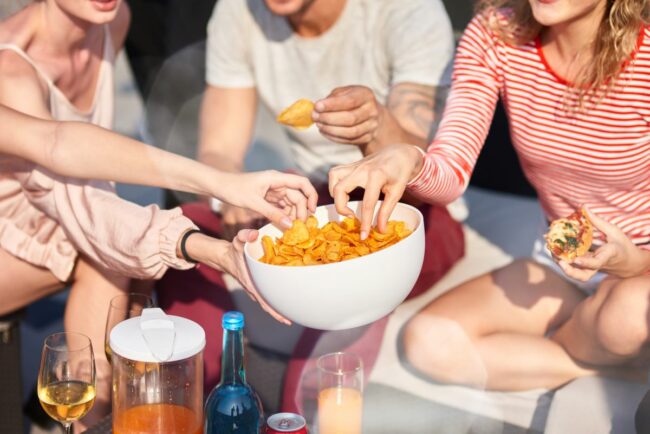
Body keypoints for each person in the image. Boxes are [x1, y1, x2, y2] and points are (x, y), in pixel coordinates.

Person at [0, 1, 313, 428]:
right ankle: (91, 409)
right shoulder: (10, 69)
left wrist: (225, 182)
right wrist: (207, 247)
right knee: (107, 254)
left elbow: (85, 167)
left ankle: (105, 404)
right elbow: (71, 187)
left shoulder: (112, 20)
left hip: (56, 212)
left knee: (123, 256)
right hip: (15, 232)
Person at [156, 0, 466, 414]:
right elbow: (219, 152)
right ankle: (209, 405)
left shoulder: (406, 10)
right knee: (184, 230)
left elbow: (427, 173)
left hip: (417, 212)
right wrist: (229, 194)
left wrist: (375, 127)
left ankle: (296, 412)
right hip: (314, 198)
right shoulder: (239, 11)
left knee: (359, 270)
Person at [328, 0, 650, 391]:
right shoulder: (495, 35)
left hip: (643, 269)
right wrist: (410, 159)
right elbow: (451, 173)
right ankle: (605, 363)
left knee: (628, 317)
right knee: (429, 342)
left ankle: (597, 338)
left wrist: (634, 266)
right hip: (561, 259)